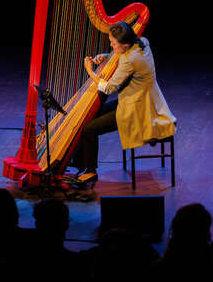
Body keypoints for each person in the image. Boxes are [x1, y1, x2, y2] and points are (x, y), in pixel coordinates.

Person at [73, 21, 176, 183]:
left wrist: (90, 72)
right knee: (94, 113)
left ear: (125, 45)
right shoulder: (142, 42)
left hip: (137, 109)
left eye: (114, 44)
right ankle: (82, 162)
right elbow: (121, 57)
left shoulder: (129, 61)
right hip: (142, 99)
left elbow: (108, 88)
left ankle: (91, 171)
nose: (111, 46)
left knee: (89, 129)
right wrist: (107, 57)